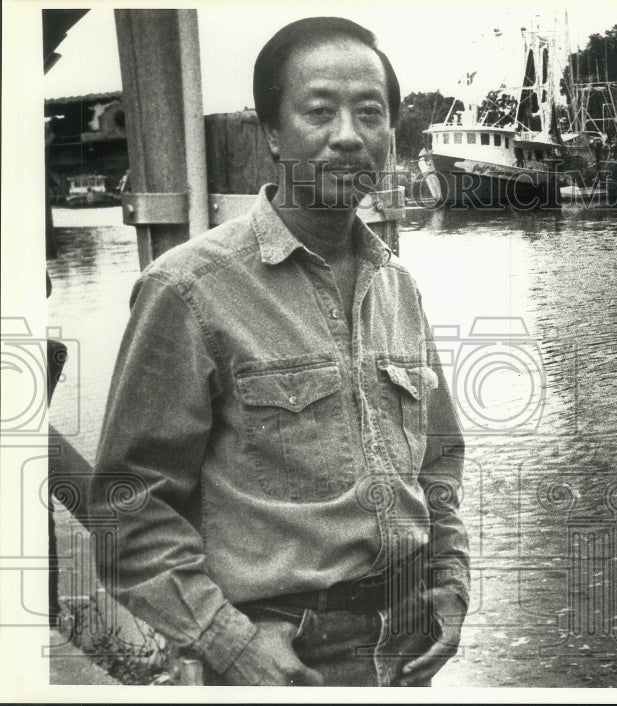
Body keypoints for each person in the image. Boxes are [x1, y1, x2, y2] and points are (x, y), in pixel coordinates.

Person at [88, 17, 469, 687]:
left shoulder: (397, 284)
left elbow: (437, 459)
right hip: (286, 654)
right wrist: (227, 642)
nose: (349, 135)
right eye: (319, 111)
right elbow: (128, 508)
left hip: (411, 644)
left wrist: (448, 578)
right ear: (271, 132)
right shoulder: (188, 289)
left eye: (370, 113)